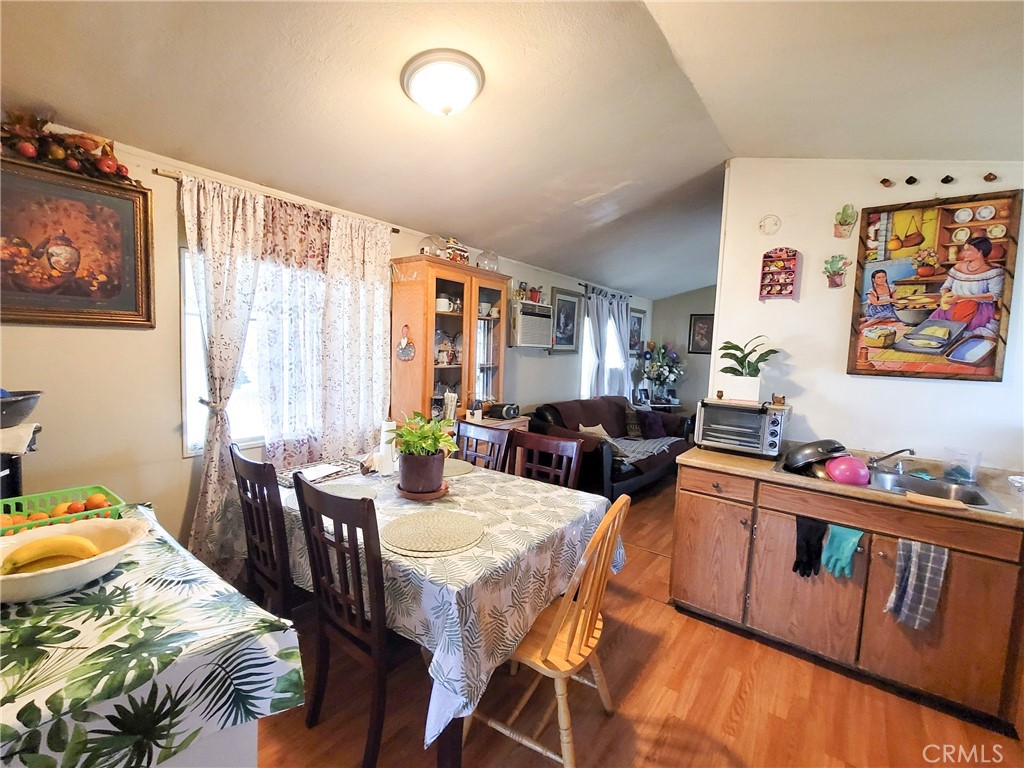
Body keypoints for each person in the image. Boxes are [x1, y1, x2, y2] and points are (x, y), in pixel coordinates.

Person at [928, 236, 1003, 337]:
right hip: (952, 306)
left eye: (968, 250)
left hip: (979, 310)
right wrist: (945, 298)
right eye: (964, 250)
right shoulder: (958, 268)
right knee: (933, 330)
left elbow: (994, 296)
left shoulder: (994, 272)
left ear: (980, 252)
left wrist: (962, 297)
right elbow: (946, 287)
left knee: (960, 334)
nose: (964, 253)